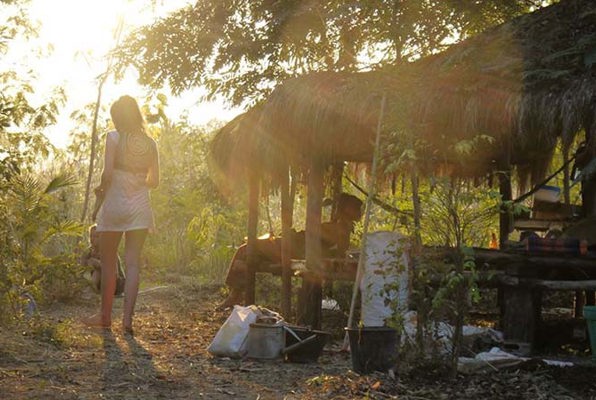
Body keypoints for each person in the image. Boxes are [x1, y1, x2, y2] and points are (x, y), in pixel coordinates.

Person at [82, 95, 160, 334]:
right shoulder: (151, 144)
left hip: (115, 204)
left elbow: (107, 175)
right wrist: (136, 179)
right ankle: (127, 320)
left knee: (108, 263)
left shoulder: (113, 138)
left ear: (118, 118)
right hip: (140, 207)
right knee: (133, 263)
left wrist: (99, 201)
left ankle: (105, 316)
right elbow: (154, 182)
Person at [218, 193, 363, 309]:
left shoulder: (340, 228)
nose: (360, 211)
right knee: (249, 249)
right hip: (296, 247)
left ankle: (234, 295)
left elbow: (323, 242)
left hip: (296, 251)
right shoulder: (340, 226)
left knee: (248, 248)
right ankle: (236, 293)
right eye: (357, 208)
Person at [81, 225, 126, 295]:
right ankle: (88, 290)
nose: (93, 239)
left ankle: (90, 291)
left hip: (117, 284)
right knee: (95, 269)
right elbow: (79, 270)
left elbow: (115, 274)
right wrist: (86, 262)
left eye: (96, 236)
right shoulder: (88, 252)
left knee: (98, 270)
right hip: (101, 285)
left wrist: (99, 265)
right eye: (91, 236)